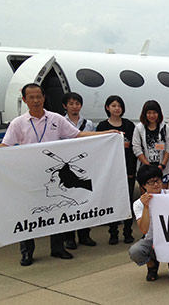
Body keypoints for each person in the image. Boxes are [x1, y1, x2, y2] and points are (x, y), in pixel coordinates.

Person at [0, 83, 115, 266]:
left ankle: (57, 248)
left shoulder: (55, 119)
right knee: (27, 212)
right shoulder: (18, 123)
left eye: (38, 97)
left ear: (43, 98)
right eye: (31, 97)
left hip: (53, 176)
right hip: (29, 176)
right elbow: (6, 145)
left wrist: (106, 134)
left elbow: (77, 135)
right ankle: (27, 252)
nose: (35, 100)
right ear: (24, 100)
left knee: (56, 209)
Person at [128, 164, 169, 281]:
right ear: (143, 185)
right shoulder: (138, 204)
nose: (156, 184)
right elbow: (144, 230)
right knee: (136, 251)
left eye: (158, 180)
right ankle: (152, 265)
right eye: (151, 182)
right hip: (151, 238)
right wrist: (146, 207)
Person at [96, 95, 137, 245]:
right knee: (111, 202)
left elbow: (134, 148)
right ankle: (113, 232)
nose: (116, 108)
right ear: (107, 107)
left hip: (128, 170)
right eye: (113, 105)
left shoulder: (129, 125)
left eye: (119, 106)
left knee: (127, 202)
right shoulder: (102, 126)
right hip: (110, 172)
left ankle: (127, 232)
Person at [61, 92, 97, 249]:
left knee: (84, 200)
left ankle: (84, 234)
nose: (74, 106)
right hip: (66, 168)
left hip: (84, 166)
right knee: (68, 202)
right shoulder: (60, 122)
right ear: (65, 106)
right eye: (71, 104)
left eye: (77, 103)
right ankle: (69, 237)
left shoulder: (88, 124)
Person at [132, 100, 169, 189]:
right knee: (146, 198)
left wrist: (162, 165)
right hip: (145, 169)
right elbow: (136, 149)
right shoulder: (139, 128)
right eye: (149, 113)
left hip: (163, 169)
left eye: (155, 112)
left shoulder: (165, 127)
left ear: (159, 113)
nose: (152, 115)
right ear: (144, 114)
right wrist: (148, 167)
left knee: (162, 197)